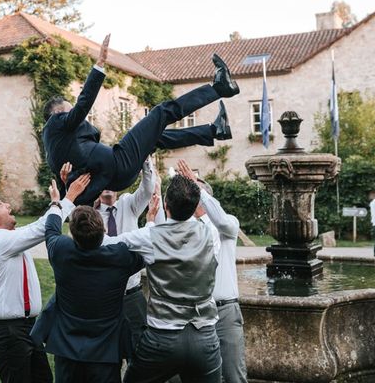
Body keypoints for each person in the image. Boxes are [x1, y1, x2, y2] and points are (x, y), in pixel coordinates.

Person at [42, 34, 238, 205]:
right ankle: (219, 88)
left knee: (156, 137)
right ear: (57, 113)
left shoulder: (53, 153)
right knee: (160, 113)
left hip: (118, 172)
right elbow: (82, 106)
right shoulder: (55, 124)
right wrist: (99, 66)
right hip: (118, 162)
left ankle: (214, 131)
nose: (72, 116)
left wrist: (66, 181)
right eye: (68, 111)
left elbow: (65, 192)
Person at [0, 174, 91, 383]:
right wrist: (68, 197)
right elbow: (42, 228)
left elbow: (44, 224)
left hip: (27, 328)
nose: (7, 204)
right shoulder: (0, 242)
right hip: (8, 333)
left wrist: (60, 200)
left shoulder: (11, 238)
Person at [106, 175, 222, 383]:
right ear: (196, 205)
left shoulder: (149, 237)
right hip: (205, 337)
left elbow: (107, 243)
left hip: (162, 339)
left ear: (166, 205)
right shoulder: (211, 233)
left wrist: (149, 223)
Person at [30, 182, 146, 383]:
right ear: (104, 232)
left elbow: (51, 227)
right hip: (106, 351)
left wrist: (58, 202)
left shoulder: (60, 250)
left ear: (73, 233)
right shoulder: (120, 258)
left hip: (66, 347)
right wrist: (151, 222)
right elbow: (148, 250)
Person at [59, 158, 156, 353]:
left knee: (140, 350)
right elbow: (70, 212)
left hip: (131, 294)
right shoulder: (88, 213)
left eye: (112, 181)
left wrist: (146, 162)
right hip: (101, 298)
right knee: (105, 350)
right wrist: (65, 185)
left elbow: (147, 190)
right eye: (104, 182)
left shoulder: (129, 203)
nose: (108, 187)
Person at [177, 160, 248, 383]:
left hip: (225, 311)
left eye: (196, 191)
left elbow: (220, 220)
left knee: (233, 375)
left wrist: (198, 189)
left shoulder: (228, 225)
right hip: (194, 314)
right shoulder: (186, 229)